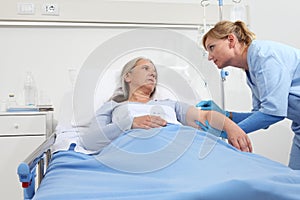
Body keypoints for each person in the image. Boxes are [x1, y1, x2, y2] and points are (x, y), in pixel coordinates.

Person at [80, 56, 252, 153]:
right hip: (137, 150)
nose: (153, 74)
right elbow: (89, 140)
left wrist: (230, 127)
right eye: (146, 69)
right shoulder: (112, 106)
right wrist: (130, 124)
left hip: (179, 146)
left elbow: (204, 116)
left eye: (154, 72)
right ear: (127, 77)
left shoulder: (170, 105)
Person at [200, 20, 300, 169]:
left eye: (212, 48)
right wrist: (226, 116)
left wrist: (228, 132)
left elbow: (273, 113)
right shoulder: (251, 70)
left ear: (231, 40)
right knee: (294, 183)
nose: (209, 56)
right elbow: (261, 115)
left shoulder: (265, 56)